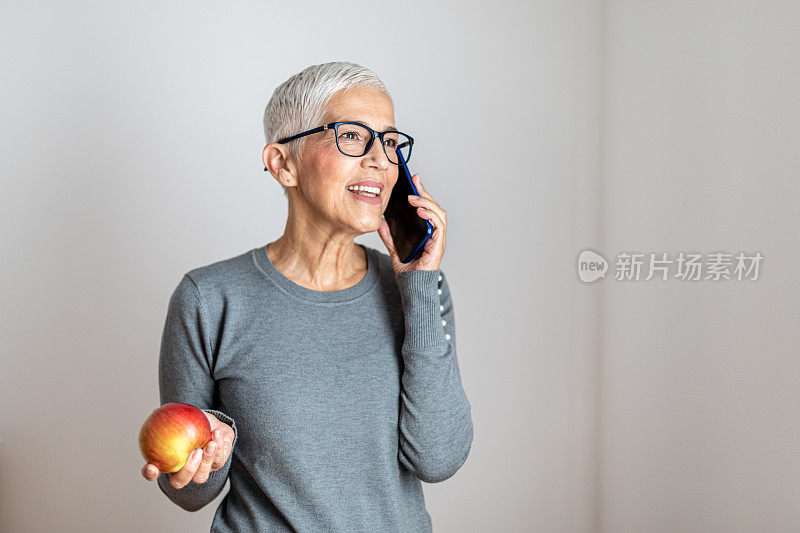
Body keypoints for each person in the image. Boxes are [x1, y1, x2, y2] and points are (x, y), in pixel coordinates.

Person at [140, 61, 473, 532]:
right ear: (283, 164)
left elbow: (437, 458)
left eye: (391, 142)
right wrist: (207, 456)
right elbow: (192, 493)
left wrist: (419, 287)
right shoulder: (208, 298)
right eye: (353, 136)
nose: (381, 159)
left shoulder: (419, 292)